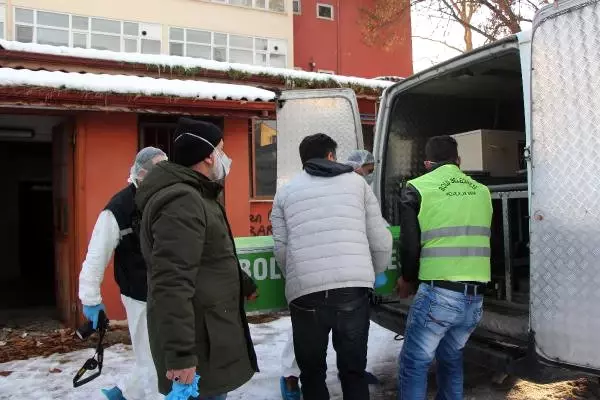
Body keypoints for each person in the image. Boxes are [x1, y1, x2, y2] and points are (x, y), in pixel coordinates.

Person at [135, 117, 258, 400]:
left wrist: (243, 283)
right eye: (222, 150)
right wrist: (180, 356)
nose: (226, 158)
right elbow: (172, 282)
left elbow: (209, 257)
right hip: (199, 343)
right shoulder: (183, 202)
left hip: (208, 335)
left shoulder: (197, 196)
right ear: (208, 156)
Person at [271, 134, 392, 400]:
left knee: (312, 374)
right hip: (352, 291)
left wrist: (300, 277)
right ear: (330, 156)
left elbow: (281, 250)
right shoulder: (357, 185)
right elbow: (381, 239)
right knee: (353, 372)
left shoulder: (285, 193)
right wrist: (375, 271)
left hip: (305, 296)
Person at [396, 135, 492, 400]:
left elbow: (409, 244)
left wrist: (407, 278)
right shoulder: (482, 191)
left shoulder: (416, 188)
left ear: (427, 163)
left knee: (414, 363)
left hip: (439, 294)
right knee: (451, 359)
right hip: (475, 297)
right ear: (458, 161)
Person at [78, 146, 167, 400]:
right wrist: (91, 299)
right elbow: (96, 256)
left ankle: (124, 393)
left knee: (159, 353)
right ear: (139, 174)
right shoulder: (118, 208)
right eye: (153, 173)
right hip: (139, 295)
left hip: (169, 292)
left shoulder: (167, 199)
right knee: (152, 358)